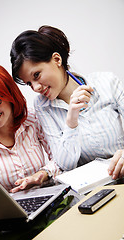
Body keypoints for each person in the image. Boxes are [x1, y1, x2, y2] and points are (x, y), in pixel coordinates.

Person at [10, 25, 124, 180]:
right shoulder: (43, 106)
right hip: (92, 190)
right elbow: (65, 165)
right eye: (29, 83)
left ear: (57, 59)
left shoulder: (106, 82)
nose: (35, 88)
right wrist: (71, 122)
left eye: (36, 75)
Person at [0, 63, 62, 193]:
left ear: (9, 94)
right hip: (9, 212)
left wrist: (42, 175)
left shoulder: (33, 118)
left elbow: (60, 160)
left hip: (49, 197)